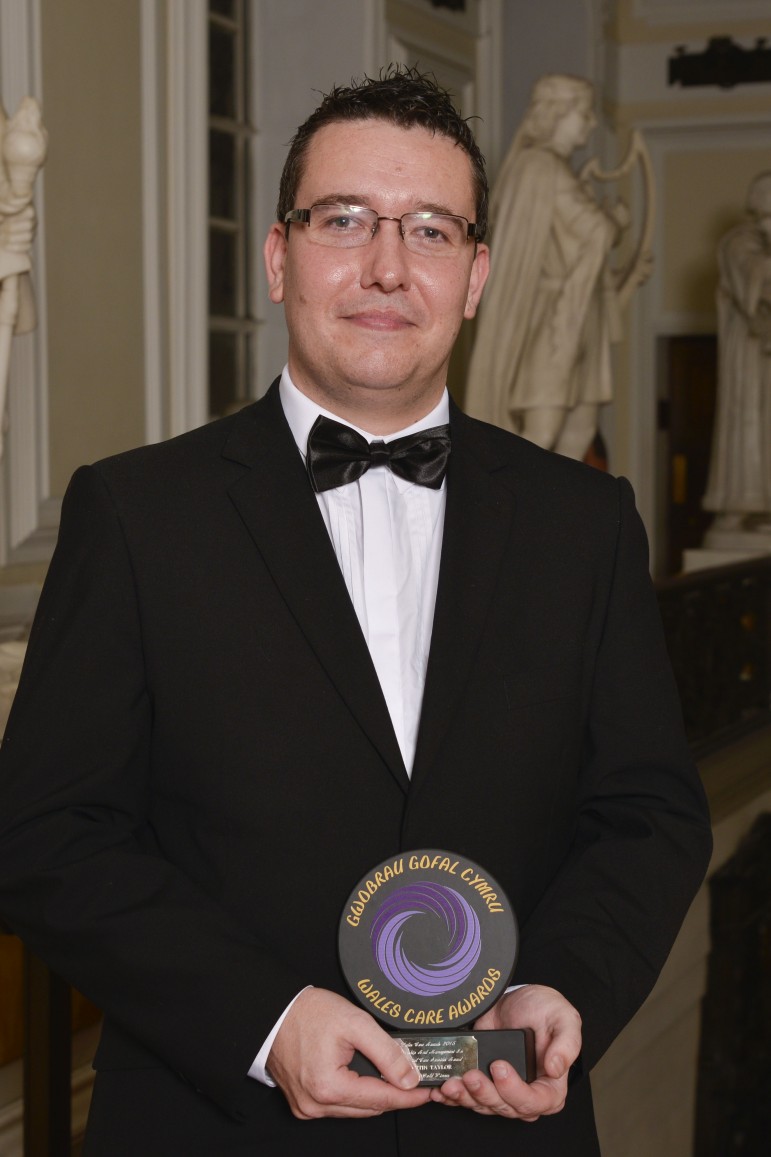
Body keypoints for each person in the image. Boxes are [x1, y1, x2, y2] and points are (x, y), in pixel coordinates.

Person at [0, 67, 711, 1155]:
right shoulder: (137, 513)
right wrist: (265, 1018)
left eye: (430, 230)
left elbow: (648, 815)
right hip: (218, 1120)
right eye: (346, 220)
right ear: (281, 256)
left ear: (476, 275)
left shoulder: (586, 521)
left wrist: (565, 985)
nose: (387, 266)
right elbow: (47, 832)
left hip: (501, 1125)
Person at [465, 75, 628, 461]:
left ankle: (560, 517)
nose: (590, 123)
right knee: (544, 427)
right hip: (554, 317)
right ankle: (519, 512)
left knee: (581, 426)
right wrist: (616, 221)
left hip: (578, 311)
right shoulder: (541, 167)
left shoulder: (550, 169)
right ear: (557, 114)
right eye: (583, 114)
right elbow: (595, 230)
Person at [703, 170, 771, 537]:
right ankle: (735, 510)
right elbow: (758, 282)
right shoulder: (739, 243)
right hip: (747, 358)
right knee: (746, 433)